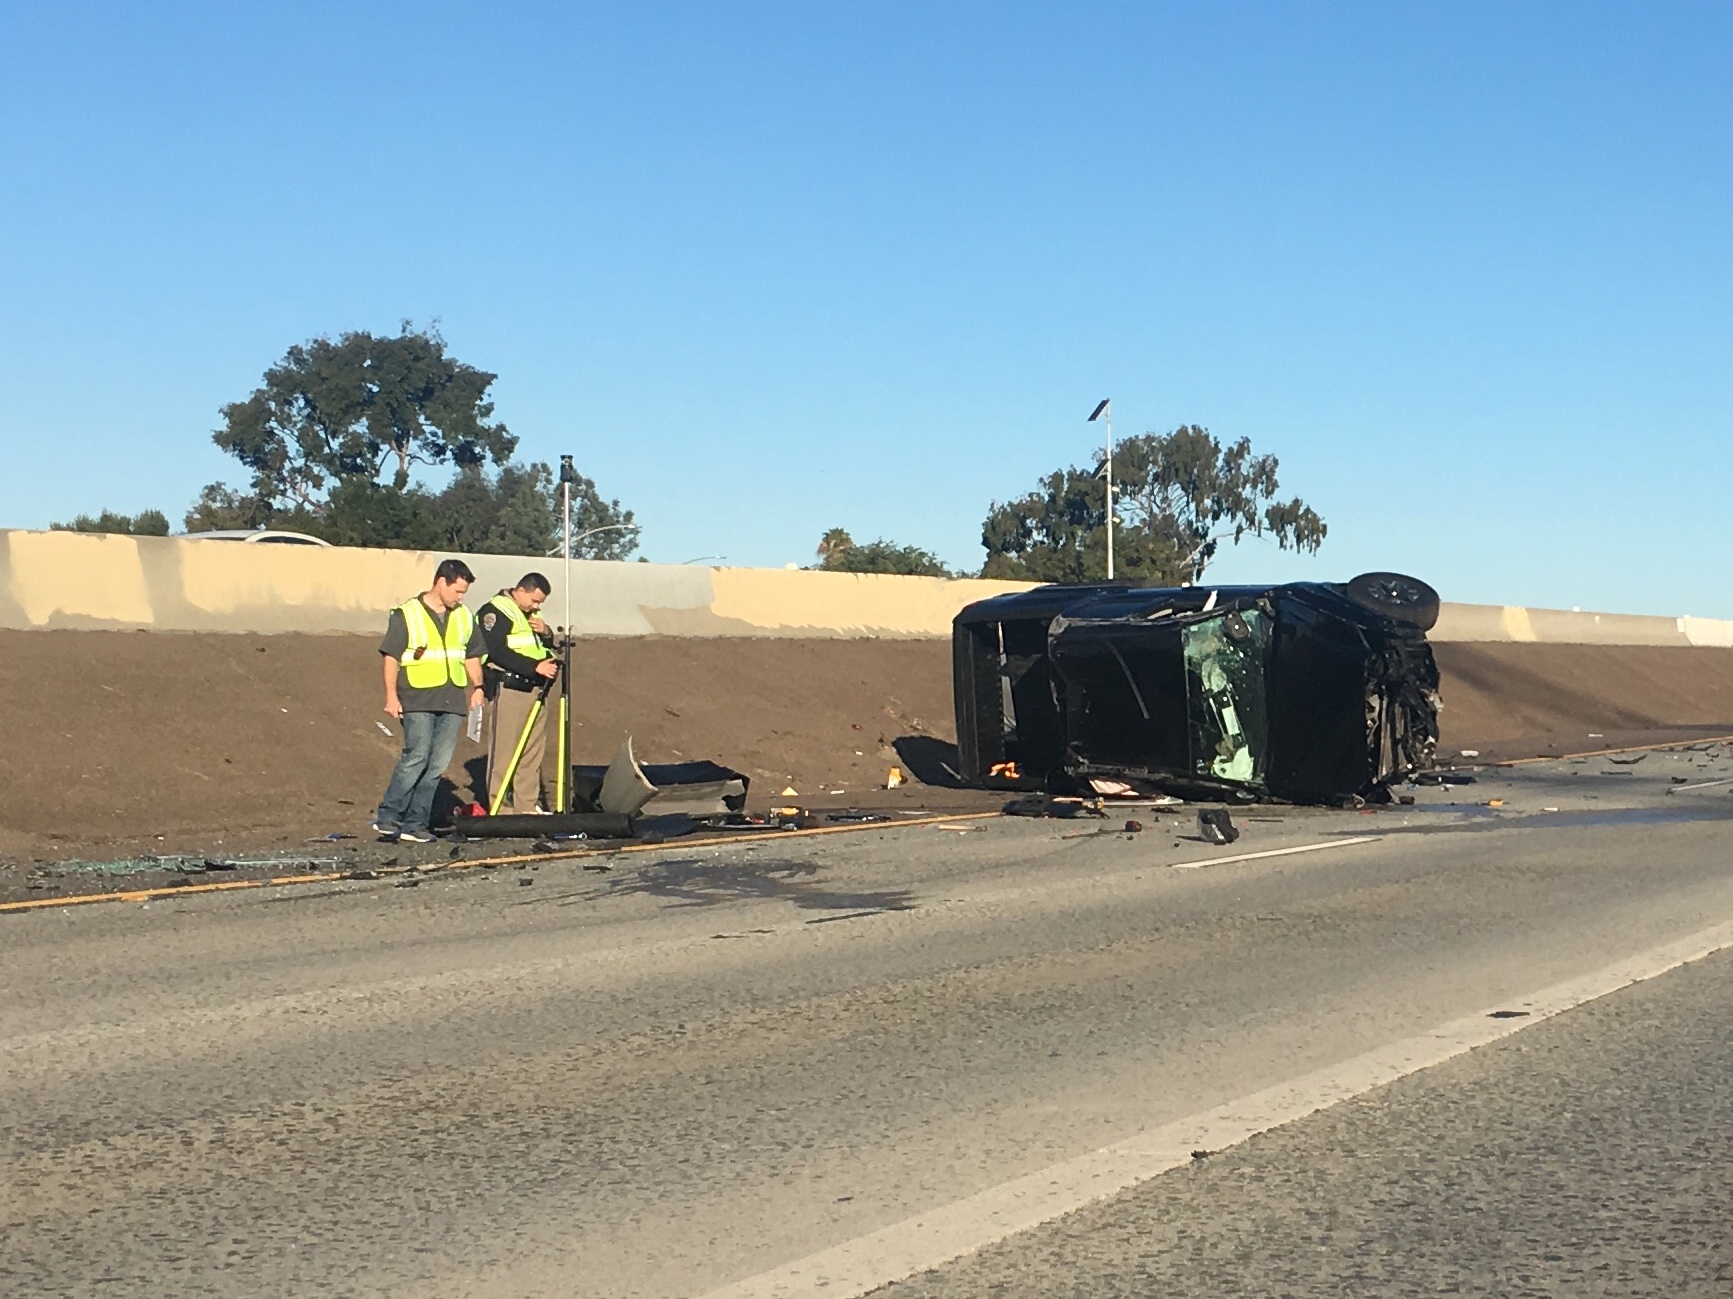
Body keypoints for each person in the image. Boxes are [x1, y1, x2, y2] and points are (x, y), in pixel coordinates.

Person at [374, 559, 486, 842]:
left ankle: (416, 824)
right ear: (441, 582)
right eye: (458, 591)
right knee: (417, 755)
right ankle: (389, 816)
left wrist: (478, 686)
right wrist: (391, 696)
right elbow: (392, 657)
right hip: (417, 697)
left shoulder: (464, 616)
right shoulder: (407, 614)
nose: (460, 598)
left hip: (452, 700)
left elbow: (471, 654)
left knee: (437, 765)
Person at [478, 572, 561, 813]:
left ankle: (526, 806)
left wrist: (546, 633)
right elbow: (496, 651)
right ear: (521, 590)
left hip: (536, 689)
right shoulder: (495, 611)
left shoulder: (531, 615)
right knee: (505, 752)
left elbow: (539, 645)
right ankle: (500, 808)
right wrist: (534, 666)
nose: (536, 606)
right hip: (510, 689)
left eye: (540, 603)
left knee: (531, 754)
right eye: (534, 601)